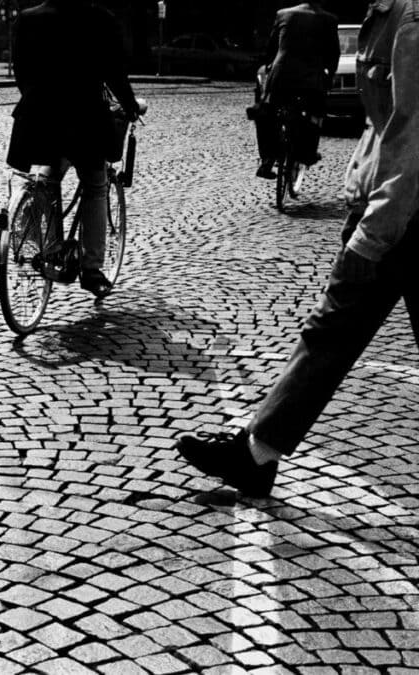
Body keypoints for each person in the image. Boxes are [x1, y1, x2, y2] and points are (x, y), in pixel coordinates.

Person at [175, 1, 419, 498]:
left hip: (402, 215)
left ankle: (256, 454)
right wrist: (360, 182)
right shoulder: (385, 14)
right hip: (390, 205)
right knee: (331, 331)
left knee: (331, 330)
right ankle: (257, 453)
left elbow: (414, 134)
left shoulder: (410, 18)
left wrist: (373, 230)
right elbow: (385, 123)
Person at [6, 0, 140, 298]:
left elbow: (21, 72)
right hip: (84, 118)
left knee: (47, 178)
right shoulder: (99, 19)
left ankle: (50, 251)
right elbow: (114, 73)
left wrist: (37, 100)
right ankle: (91, 270)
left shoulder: (28, 19)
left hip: (38, 118)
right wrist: (130, 106)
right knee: (95, 184)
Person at [252, 1, 340, 179]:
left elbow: (271, 48)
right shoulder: (329, 19)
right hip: (311, 77)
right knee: (316, 113)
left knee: (266, 112)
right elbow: (333, 53)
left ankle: (267, 161)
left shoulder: (283, 14)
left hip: (282, 74)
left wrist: (269, 67)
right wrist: (329, 76)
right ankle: (308, 153)